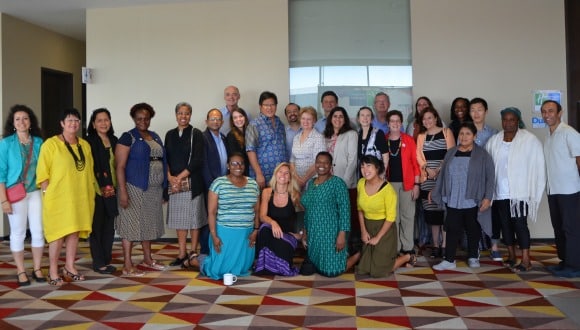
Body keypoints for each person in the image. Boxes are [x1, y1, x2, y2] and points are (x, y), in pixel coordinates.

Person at [37, 108, 95, 286]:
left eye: (76, 120)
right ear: (62, 123)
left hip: (80, 197)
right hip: (58, 199)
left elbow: (89, 171)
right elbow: (42, 174)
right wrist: (48, 194)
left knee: (74, 232)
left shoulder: (84, 145)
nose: (73, 123)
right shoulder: (50, 144)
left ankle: (70, 267)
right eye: (69, 120)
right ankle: (53, 271)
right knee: (57, 235)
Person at [485, 107, 545, 273]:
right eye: (505, 119)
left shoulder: (529, 140)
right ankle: (511, 256)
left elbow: (537, 164)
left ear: (518, 121)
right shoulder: (495, 140)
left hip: (520, 193)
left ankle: (526, 260)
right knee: (505, 226)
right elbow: (489, 166)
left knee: (520, 225)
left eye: (512, 120)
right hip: (500, 192)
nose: (508, 123)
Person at [184, 153, 260, 280]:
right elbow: (212, 212)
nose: (238, 166)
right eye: (234, 163)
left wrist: (256, 230)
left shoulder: (253, 184)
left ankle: (200, 258)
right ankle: (193, 260)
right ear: (228, 166)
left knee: (242, 268)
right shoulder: (218, 183)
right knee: (218, 270)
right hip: (224, 233)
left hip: (246, 234)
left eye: (241, 163)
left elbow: (257, 211)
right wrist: (214, 235)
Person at [431, 122, 495, 270]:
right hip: (453, 197)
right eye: (461, 133)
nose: (464, 137)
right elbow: (443, 175)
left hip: (473, 198)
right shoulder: (451, 152)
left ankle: (473, 256)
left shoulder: (482, 154)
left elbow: (490, 177)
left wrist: (487, 197)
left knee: (473, 228)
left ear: (474, 136)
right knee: (452, 228)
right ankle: (449, 259)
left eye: (468, 134)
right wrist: (437, 191)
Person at [115, 102, 167, 276]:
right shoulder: (127, 137)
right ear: (134, 119)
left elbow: (162, 161)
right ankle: (128, 264)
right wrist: (122, 191)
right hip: (134, 188)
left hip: (153, 189)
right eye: (139, 118)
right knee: (131, 225)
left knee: (148, 224)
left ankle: (148, 259)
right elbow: (120, 166)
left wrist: (164, 186)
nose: (143, 121)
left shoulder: (155, 136)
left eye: (146, 118)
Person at [0, 105, 45, 286]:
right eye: (17, 119)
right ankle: (20, 270)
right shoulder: (6, 144)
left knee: (38, 231)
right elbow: (1, 174)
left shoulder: (40, 143)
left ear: (31, 121)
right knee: (18, 233)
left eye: (25, 118)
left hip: (35, 193)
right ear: (13, 122)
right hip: (15, 194)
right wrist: (4, 200)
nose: (21, 122)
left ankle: (37, 268)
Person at [357, 155, 416, 277]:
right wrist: (363, 231)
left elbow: (390, 218)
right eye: (362, 166)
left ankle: (407, 256)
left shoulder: (388, 190)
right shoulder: (361, 183)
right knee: (364, 269)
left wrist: (378, 237)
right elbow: (360, 209)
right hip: (368, 226)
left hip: (385, 229)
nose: (365, 170)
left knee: (379, 272)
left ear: (377, 168)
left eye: (369, 166)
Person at [541, 100, 580, 278]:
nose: (547, 114)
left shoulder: (569, 133)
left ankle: (575, 265)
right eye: (544, 111)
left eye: (551, 111)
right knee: (559, 227)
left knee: (571, 228)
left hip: (569, 190)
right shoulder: (549, 135)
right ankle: (564, 261)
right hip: (553, 190)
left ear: (560, 112)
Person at [164, 102, 207, 267]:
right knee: (179, 220)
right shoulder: (169, 134)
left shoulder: (196, 134)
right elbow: (165, 158)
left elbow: (198, 159)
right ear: (176, 115)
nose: (183, 116)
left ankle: (193, 252)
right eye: (180, 113)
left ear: (190, 115)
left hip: (192, 183)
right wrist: (169, 177)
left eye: (187, 113)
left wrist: (179, 177)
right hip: (174, 184)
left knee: (194, 220)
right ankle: (181, 253)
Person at [301, 152, 355, 277]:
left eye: (326, 162)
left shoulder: (338, 183)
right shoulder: (311, 183)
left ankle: (358, 254)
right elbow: (308, 209)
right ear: (315, 164)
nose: (322, 165)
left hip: (330, 233)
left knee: (332, 272)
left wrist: (342, 234)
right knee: (306, 271)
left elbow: (345, 210)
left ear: (331, 166)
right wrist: (305, 231)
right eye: (319, 162)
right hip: (314, 233)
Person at [416, 107, 455, 259]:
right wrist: (427, 168)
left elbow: (451, 153)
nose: (427, 121)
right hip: (427, 179)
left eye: (430, 118)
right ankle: (435, 245)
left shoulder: (446, 132)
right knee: (431, 214)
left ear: (436, 118)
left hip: (443, 178)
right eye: (424, 119)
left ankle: (445, 245)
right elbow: (418, 156)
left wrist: (438, 169)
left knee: (443, 212)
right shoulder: (421, 136)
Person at [254, 162, 302, 276]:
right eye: (280, 172)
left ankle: (275, 267)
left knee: (284, 247)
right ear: (275, 174)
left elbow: (303, 215)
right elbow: (262, 216)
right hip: (270, 231)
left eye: (287, 173)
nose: (283, 175)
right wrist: (273, 222)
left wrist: (300, 234)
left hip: (286, 234)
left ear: (290, 177)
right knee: (264, 229)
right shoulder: (267, 192)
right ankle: (264, 266)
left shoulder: (294, 195)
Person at [86, 108, 118, 275]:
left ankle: (106, 260)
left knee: (109, 227)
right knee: (97, 227)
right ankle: (98, 262)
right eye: (99, 120)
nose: (103, 123)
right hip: (96, 191)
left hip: (113, 190)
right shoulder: (89, 142)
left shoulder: (114, 140)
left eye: (106, 120)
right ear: (93, 124)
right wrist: (98, 186)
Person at [385, 110, 420, 255]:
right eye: (392, 121)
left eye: (397, 121)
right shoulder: (384, 139)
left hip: (408, 184)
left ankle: (408, 246)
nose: (395, 123)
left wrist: (417, 185)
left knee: (407, 216)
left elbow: (415, 164)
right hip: (389, 185)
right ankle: (396, 247)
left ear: (401, 123)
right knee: (393, 217)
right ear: (388, 124)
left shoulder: (408, 140)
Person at [468, 97, 499, 260]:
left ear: (486, 112)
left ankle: (494, 246)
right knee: (472, 214)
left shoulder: (494, 133)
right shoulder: (465, 132)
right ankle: (476, 247)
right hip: (471, 179)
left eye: (479, 109)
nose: (476, 113)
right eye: (473, 109)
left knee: (491, 212)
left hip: (489, 178)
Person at [246, 91, 288, 189]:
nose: (269, 108)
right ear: (260, 106)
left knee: (278, 201)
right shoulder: (254, 125)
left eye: (272, 104)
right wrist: (258, 174)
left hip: (280, 175)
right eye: (266, 105)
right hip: (263, 174)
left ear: (276, 106)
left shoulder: (280, 123)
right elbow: (250, 151)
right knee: (263, 201)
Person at [290, 106, 326, 189]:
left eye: (309, 119)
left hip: (312, 180)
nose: (305, 121)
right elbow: (292, 160)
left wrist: (303, 180)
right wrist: (297, 178)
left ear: (314, 121)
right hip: (296, 180)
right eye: (303, 118)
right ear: (300, 119)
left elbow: (318, 162)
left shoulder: (318, 137)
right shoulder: (296, 137)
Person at [357, 106, 388, 176]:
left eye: (368, 115)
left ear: (371, 119)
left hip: (376, 175)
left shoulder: (378, 133)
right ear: (358, 119)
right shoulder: (357, 134)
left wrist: (382, 173)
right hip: (362, 175)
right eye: (362, 115)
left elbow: (385, 156)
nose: (365, 118)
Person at [225, 108, 250, 176]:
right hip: (240, 171)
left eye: (241, 116)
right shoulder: (231, 135)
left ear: (245, 117)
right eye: (235, 118)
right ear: (232, 121)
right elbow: (235, 157)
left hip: (252, 169)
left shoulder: (249, 132)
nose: (238, 119)